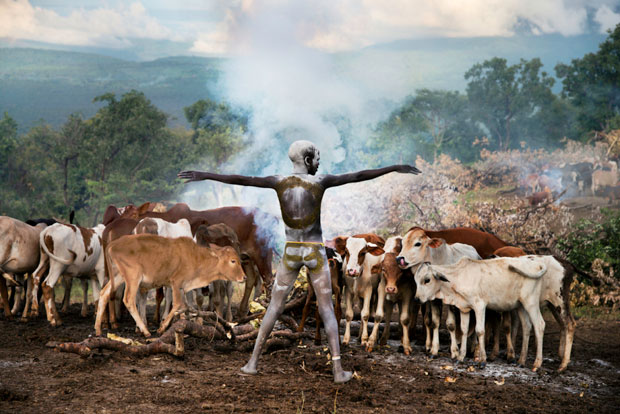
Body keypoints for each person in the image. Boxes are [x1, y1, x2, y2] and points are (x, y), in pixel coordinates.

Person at [178, 140, 421, 383]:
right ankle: (338, 371)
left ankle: (252, 363)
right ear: (307, 160)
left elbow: (242, 179)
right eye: (316, 157)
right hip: (314, 251)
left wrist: (205, 175)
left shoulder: (278, 181)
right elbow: (357, 176)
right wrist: (392, 167)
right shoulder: (320, 182)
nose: (318, 162)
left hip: (292, 251)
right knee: (326, 308)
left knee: (274, 306)